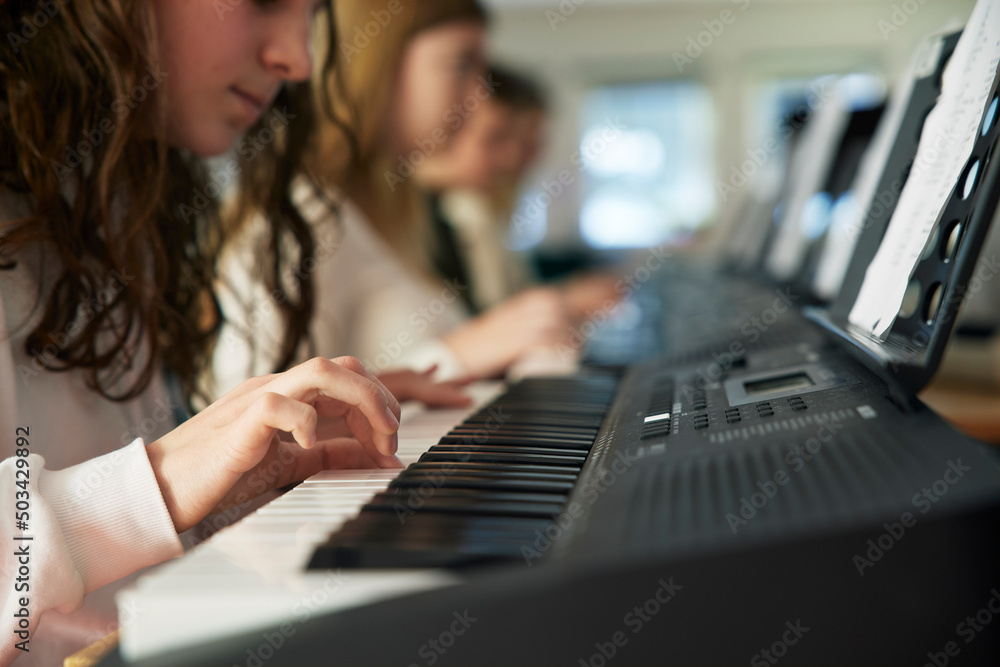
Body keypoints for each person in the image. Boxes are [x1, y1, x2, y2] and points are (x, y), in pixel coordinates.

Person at [0, 2, 418, 663]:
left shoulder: (117, 194)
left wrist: (238, 487)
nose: (298, 61)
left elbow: (105, 570)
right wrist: (156, 486)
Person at [214, 0, 574, 392]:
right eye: (462, 64)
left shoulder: (392, 210)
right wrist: (453, 357)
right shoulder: (304, 212)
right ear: (379, 63)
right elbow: (250, 412)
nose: (478, 98)